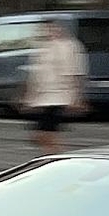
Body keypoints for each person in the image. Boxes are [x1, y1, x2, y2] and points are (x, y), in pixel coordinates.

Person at [22, 16, 88, 155]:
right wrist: (29, 96)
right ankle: (52, 157)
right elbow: (35, 74)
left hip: (59, 96)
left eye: (51, 28)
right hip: (42, 97)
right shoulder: (42, 47)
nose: (47, 32)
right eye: (44, 29)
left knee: (47, 132)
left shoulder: (69, 46)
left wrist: (76, 98)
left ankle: (54, 158)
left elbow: (75, 72)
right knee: (41, 134)